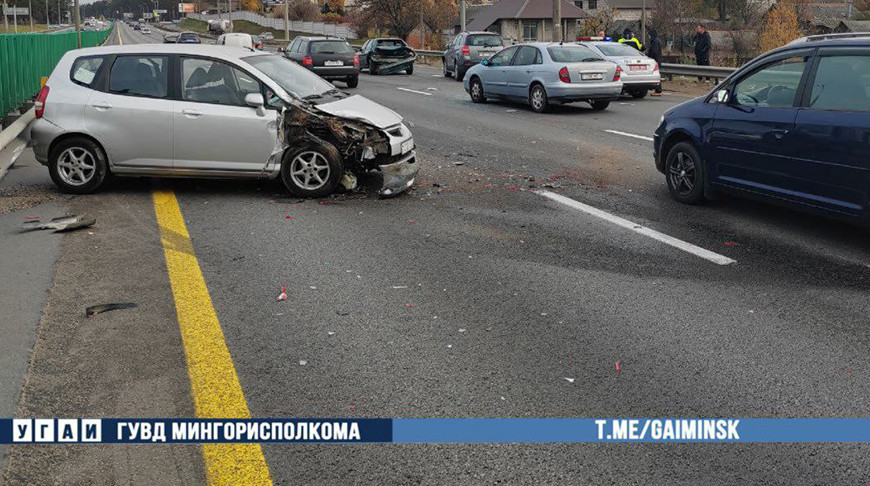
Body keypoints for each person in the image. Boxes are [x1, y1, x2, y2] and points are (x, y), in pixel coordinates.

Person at [646, 28, 663, 96]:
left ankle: (658, 90)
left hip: (655, 61)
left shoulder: (655, 41)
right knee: (656, 75)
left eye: (649, 35)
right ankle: (657, 89)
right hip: (657, 60)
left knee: (656, 76)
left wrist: (649, 56)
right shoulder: (656, 40)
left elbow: (654, 51)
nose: (649, 36)